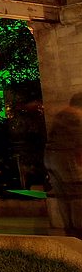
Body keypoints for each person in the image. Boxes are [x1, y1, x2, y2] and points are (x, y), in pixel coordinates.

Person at [44, 92, 82, 237]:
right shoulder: (76, 116)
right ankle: (77, 231)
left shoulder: (63, 114)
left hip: (52, 161)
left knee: (64, 198)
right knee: (76, 195)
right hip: (66, 161)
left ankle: (70, 229)